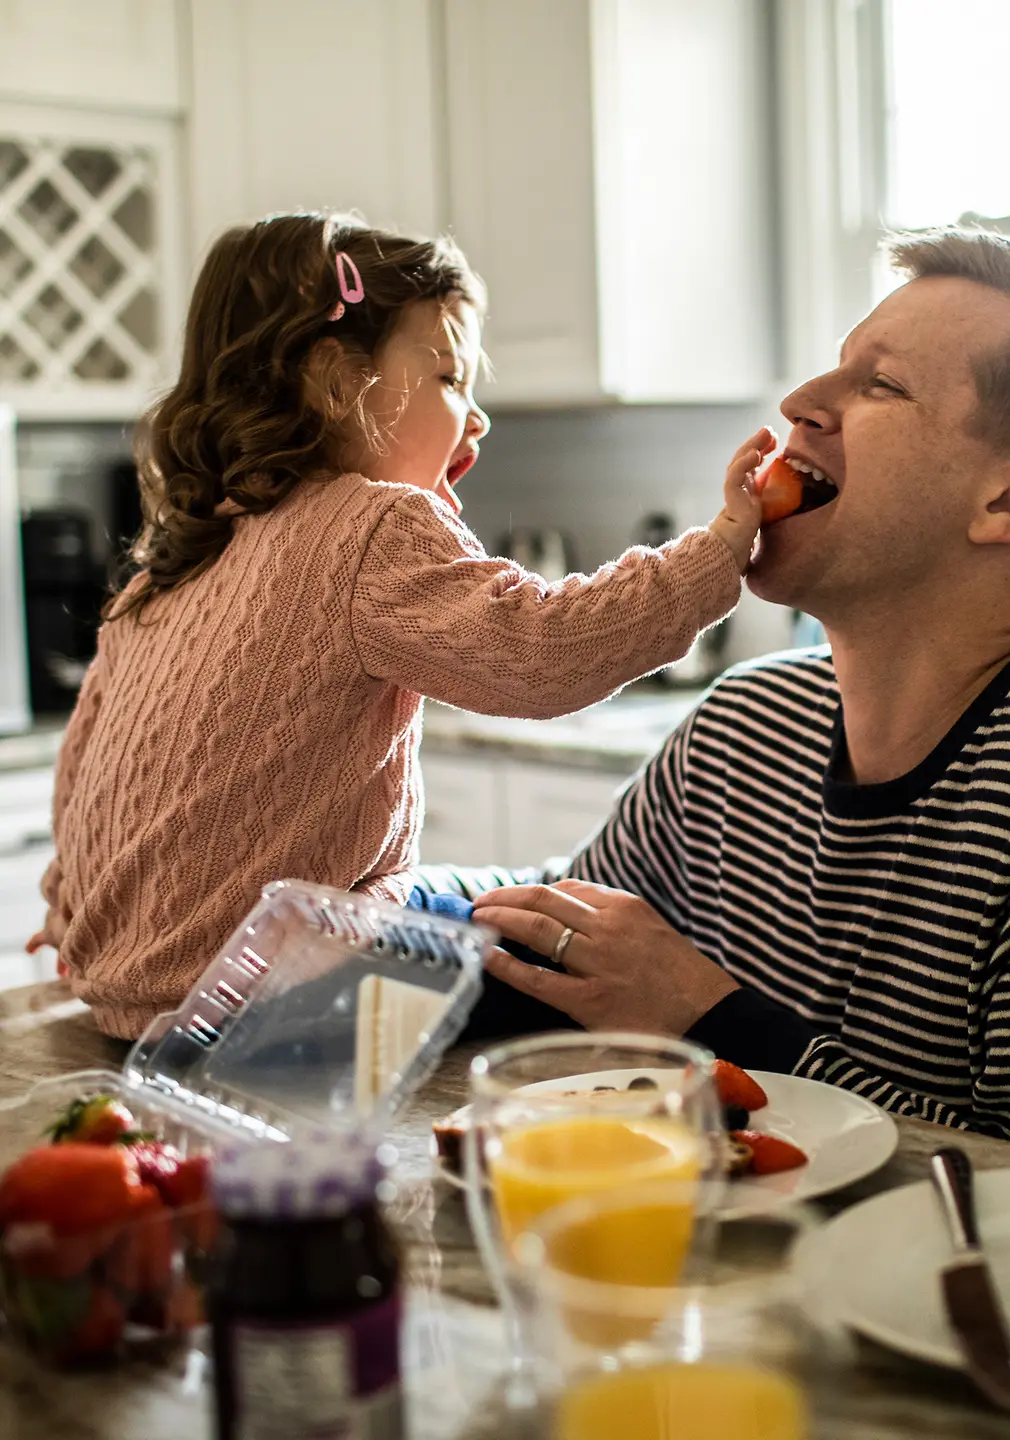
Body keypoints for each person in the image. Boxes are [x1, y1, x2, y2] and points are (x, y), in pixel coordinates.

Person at [412, 228, 1010, 1199]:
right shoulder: (751, 725)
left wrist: (710, 1019)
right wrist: (351, 903)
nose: (800, 403)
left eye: (881, 385)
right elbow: (568, 931)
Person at [27, 211, 768, 1040]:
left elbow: (83, 781)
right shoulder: (369, 526)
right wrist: (717, 553)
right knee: (586, 959)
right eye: (449, 378)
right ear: (336, 381)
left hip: (130, 1002)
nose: (477, 418)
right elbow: (541, 650)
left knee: (480, 899)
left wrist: (69, 910)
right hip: (283, 995)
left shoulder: (165, 572)